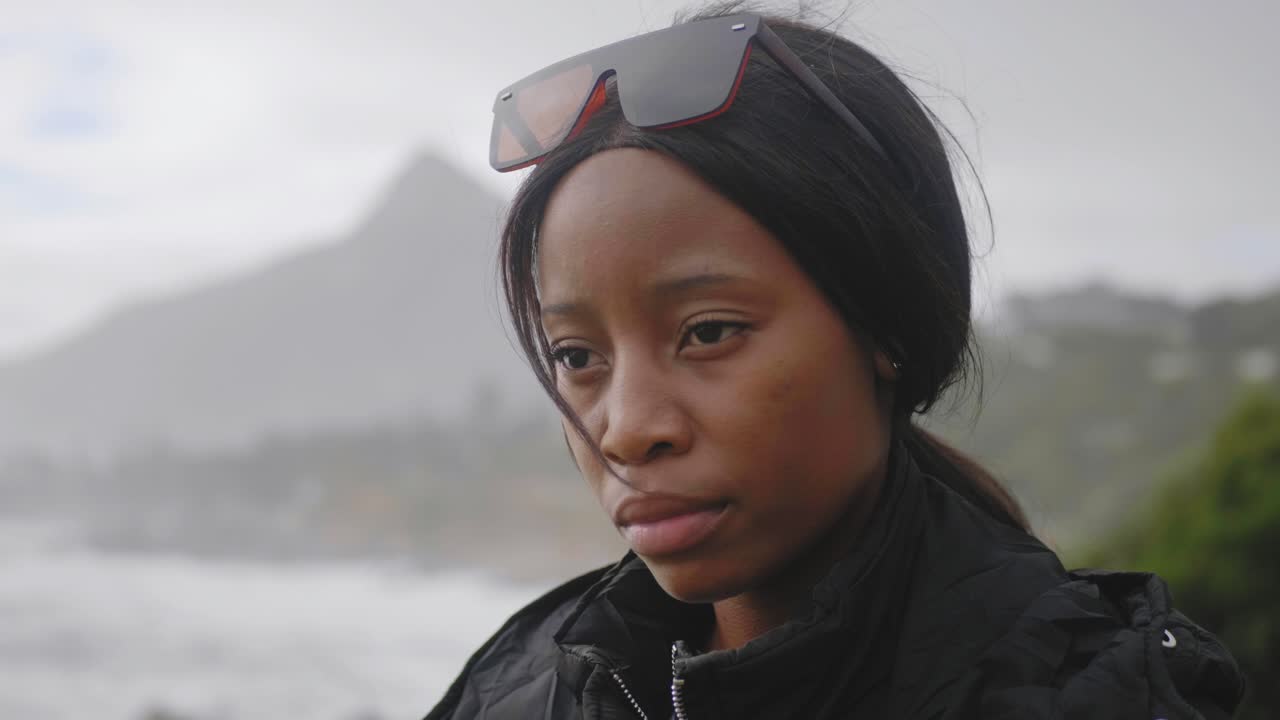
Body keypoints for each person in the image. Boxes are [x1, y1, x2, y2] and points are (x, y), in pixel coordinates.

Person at [426, 5, 1246, 719]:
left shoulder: (1089, 697)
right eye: (576, 355)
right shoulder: (530, 687)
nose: (628, 431)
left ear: (882, 323)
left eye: (708, 332)